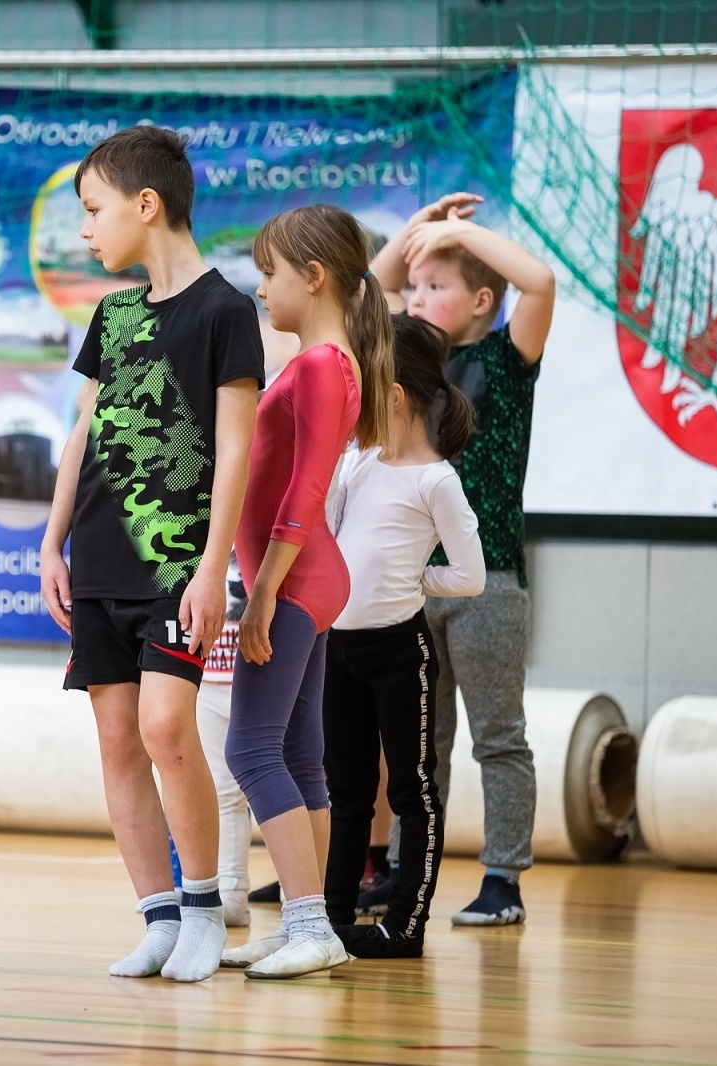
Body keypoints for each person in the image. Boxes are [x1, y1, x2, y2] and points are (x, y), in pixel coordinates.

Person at [39, 126, 263, 982]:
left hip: (176, 568)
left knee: (168, 727)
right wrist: (50, 543)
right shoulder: (113, 314)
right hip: (96, 561)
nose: (87, 231)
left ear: (147, 204)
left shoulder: (226, 312)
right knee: (117, 739)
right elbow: (82, 432)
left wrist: (213, 570)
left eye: (93, 211)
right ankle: (158, 916)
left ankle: (204, 905)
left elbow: (236, 453)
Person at [370, 191, 556, 925]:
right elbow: (371, 289)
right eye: (415, 286)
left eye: (436, 286)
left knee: (498, 736)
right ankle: (405, 871)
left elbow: (539, 283)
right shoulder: (408, 366)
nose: (416, 297)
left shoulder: (508, 361)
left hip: (490, 584)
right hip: (413, 583)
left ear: (482, 300)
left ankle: (503, 879)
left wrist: (455, 232)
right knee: (421, 744)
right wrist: (417, 233)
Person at [218, 204, 391, 980]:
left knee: (250, 748)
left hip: (294, 581)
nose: (260, 288)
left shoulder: (323, 366)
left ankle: (311, 923)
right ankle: (308, 922)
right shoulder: (319, 360)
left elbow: (304, 492)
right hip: (297, 579)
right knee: (297, 754)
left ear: (313, 278)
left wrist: (261, 597)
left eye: (269, 273)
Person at [323, 313, 485, 959]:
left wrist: (416, 580)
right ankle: (330, 921)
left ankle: (405, 925)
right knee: (347, 792)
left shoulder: (436, 479)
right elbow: (333, 539)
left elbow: (470, 575)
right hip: (339, 650)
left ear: (392, 394)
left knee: (412, 790)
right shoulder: (355, 461)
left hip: (400, 654)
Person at [193, 558, 252, 927]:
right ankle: (231, 893)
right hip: (208, 675)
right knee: (223, 791)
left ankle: (298, 896)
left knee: (284, 788)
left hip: (259, 674)